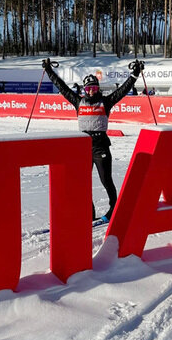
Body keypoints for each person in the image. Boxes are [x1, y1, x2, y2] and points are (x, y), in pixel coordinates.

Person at [43, 58, 144, 223]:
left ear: (98, 89)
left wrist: (135, 74)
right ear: (84, 89)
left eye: (95, 88)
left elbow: (124, 90)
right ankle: (88, 213)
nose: (91, 91)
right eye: (89, 88)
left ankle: (114, 209)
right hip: (83, 148)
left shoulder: (106, 102)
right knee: (82, 183)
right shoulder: (78, 102)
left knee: (106, 180)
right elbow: (62, 87)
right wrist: (48, 70)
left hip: (100, 147)